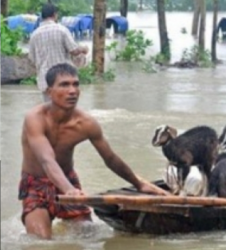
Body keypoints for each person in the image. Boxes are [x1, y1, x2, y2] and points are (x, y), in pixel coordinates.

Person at [18, 63, 170, 240]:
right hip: (36, 184)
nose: (72, 90)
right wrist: (69, 190)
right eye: (64, 85)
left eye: (76, 84)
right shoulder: (35, 118)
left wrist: (139, 184)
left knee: (87, 235)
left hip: (68, 179)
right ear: (49, 91)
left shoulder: (86, 124)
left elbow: (110, 159)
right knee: (40, 242)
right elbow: (46, 160)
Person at [28, 3, 89, 102]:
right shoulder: (62, 30)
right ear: (54, 15)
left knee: (50, 110)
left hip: (45, 81)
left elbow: (31, 59)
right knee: (65, 110)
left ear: (42, 16)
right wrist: (83, 49)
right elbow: (74, 51)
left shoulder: (34, 35)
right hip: (63, 79)